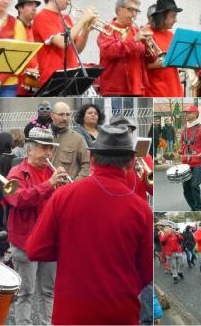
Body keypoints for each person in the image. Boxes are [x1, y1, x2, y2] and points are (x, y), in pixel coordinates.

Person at [26, 125, 153, 324]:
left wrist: (70, 249)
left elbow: (35, 250)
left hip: (72, 313)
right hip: (121, 313)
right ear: (130, 162)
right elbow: (146, 273)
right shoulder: (142, 209)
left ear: (92, 158)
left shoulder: (63, 196)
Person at [4, 127, 69, 325]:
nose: (49, 153)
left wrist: (67, 190)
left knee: (49, 291)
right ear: (29, 149)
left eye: (51, 148)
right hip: (25, 242)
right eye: (44, 148)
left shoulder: (51, 171)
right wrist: (49, 184)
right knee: (26, 293)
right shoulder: (16, 173)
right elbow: (18, 199)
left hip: (50, 241)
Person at [33, 0, 97, 87]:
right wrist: (83, 19)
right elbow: (63, 43)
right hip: (52, 79)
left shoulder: (66, 18)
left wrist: (86, 30)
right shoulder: (41, 17)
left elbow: (77, 49)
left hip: (71, 77)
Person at [97, 0, 153, 96]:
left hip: (138, 89)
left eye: (137, 11)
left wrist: (149, 49)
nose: (134, 14)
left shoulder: (136, 30)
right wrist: (134, 40)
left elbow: (146, 60)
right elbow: (108, 51)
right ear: (118, 10)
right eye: (131, 9)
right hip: (115, 89)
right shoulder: (107, 29)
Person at [145, 0, 183, 97]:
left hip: (175, 90)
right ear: (162, 17)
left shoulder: (172, 35)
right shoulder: (147, 33)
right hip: (156, 92)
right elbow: (144, 66)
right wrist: (166, 62)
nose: (175, 20)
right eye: (173, 16)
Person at [109, 114, 153, 201]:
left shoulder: (144, 156)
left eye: (129, 131)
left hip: (139, 210)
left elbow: (152, 190)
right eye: (121, 130)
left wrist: (143, 172)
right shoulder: (104, 158)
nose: (126, 134)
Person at [180, 105, 201, 211]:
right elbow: (183, 144)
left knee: (194, 185)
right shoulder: (184, 129)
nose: (186, 114)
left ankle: (198, 208)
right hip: (186, 163)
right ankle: (193, 208)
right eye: (186, 113)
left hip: (198, 163)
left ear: (195, 114)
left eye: (189, 112)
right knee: (186, 189)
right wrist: (181, 151)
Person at [51, 102, 90, 180]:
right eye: (61, 114)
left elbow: (87, 165)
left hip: (66, 188)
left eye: (68, 115)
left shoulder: (78, 139)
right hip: (45, 187)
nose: (65, 118)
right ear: (52, 116)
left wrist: (74, 184)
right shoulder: (44, 136)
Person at [15, 0, 41, 96]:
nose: (34, 9)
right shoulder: (12, 28)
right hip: (16, 84)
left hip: (34, 80)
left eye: (35, 6)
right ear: (20, 8)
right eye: (30, 5)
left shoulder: (37, 29)